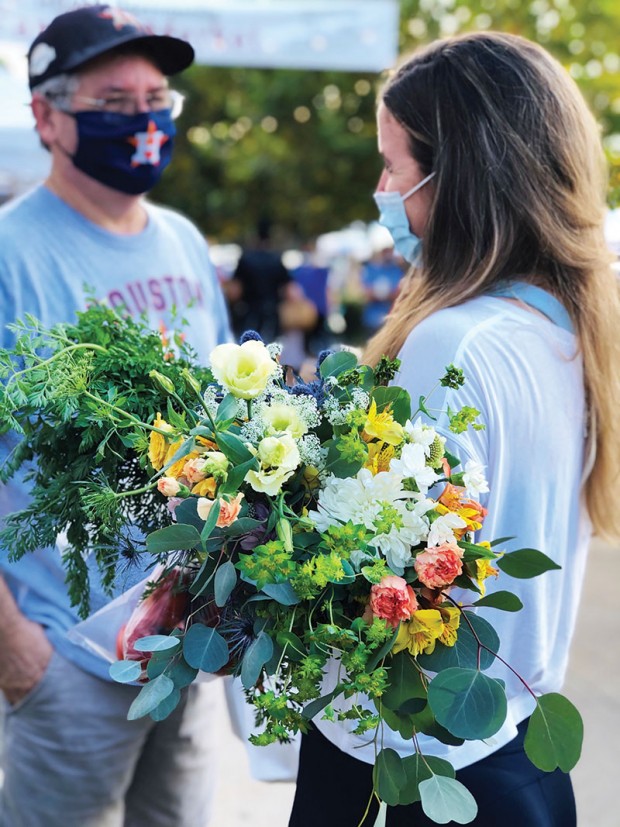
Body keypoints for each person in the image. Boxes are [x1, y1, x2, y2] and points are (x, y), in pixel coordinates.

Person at [289, 31, 620, 826]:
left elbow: (387, 588)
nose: (380, 188)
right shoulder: (567, 328)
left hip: (410, 766)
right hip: (522, 753)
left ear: (458, 177)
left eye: (394, 165)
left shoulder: (454, 342)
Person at [0, 6, 232, 826]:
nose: (143, 118)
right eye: (113, 99)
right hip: (66, 656)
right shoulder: (9, 254)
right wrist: (15, 646)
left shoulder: (181, 241)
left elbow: (226, 420)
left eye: (157, 97)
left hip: (188, 641)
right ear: (45, 116)